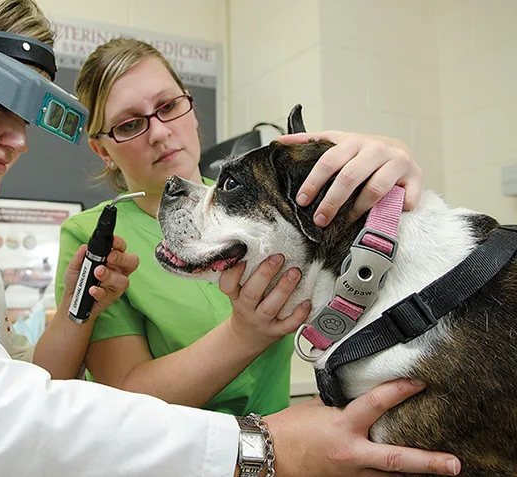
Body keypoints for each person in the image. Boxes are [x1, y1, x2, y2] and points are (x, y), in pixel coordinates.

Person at [0, 1, 461, 476]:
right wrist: (258, 445)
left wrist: (389, 163)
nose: (18, 140)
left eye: (28, 115)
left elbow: (12, 387)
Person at [55, 37, 426, 416]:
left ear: (190, 106)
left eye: (169, 106)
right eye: (130, 124)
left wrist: (389, 159)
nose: (160, 132)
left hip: (281, 451)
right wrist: (243, 335)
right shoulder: (92, 238)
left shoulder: (268, 199)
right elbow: (124, 400)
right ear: (102, 149)